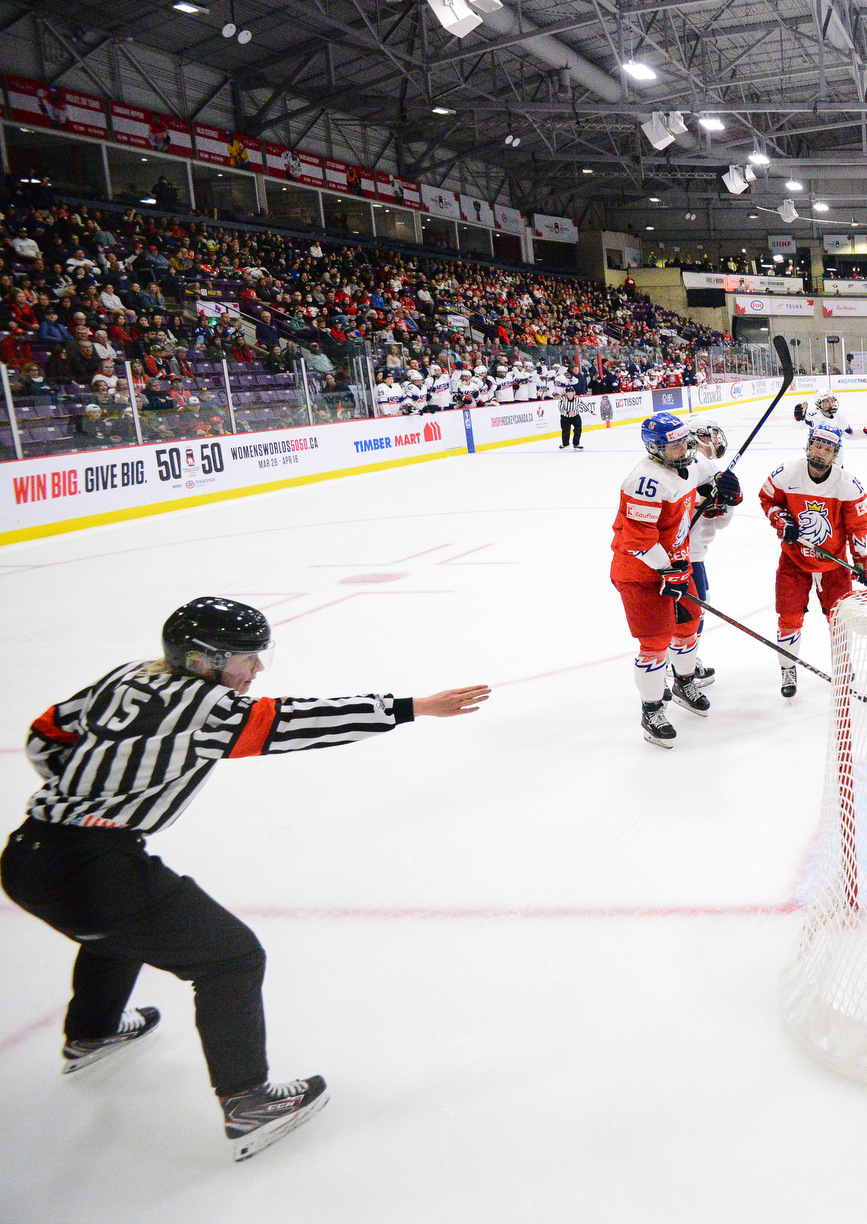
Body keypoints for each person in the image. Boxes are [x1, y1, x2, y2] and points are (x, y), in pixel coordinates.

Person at [1, 597, 488, 1162]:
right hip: (91, 869)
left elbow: (44, 736)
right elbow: (296, 722)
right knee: (231, 958)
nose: (256, 670)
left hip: (30, 853)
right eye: (246, 658)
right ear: (203, 660)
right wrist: (414, 707)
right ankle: (248, 1103)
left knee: (119, 931)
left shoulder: (129, 676)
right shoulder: (209, 709)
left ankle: (92, 1031)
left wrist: (89, 790)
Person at [609, 412, 728, 746]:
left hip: (676, 565)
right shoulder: (644, 482)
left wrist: (725, 486)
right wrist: (667, 570)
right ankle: (651, 710)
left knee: (688, 627)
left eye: (684, 443)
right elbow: (639, 541)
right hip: (640, 574)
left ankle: (684, 682)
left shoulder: (690, 463)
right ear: (655, 449)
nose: (682, 450)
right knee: (655, 643)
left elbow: (712, 474)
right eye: (673, 447)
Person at [758, 422, 867, 699]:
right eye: (817, 445)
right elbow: (767, 500)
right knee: (789, 617)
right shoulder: (787, 473)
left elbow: (857, 526)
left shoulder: (847, 485)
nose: (820, 452)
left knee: (839, 619)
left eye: (827, 449)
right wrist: (780, 518)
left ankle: (843, 665)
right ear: (808, 446)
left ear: (835, 454)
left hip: (834, 565)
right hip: (794, 560)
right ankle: (788, 668)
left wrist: (861, 558)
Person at [683, 423, 740, 686]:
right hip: (685, 552)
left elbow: (719, 522)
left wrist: (727, 501)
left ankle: (683, 662)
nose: (716, 439)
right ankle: (681, 666)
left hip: (694, 552)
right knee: (691, 610)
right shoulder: (697, 462)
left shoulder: (706, 468)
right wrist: (704, 497)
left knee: (696, 606)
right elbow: (681, 496)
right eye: (711, 434)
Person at [557, 382, 585, 450]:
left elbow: (583, 406)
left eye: (571, 392)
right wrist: (568, 413)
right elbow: (560, 409)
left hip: (575, 416)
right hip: (565, 417)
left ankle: (576, 443)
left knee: (578, 429)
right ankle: (565, 443)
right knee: (565, 430)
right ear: (566, 394)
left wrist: (591, 411)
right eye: (568, 393)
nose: (570, 394)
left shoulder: (577, 400)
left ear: (573, 393)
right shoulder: (563, 400)